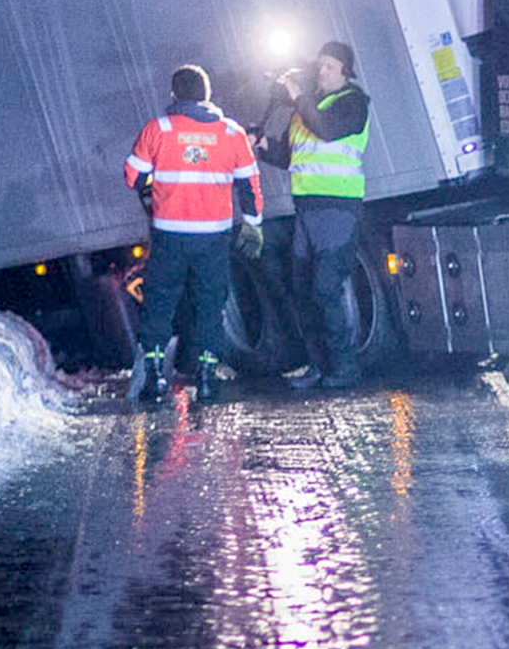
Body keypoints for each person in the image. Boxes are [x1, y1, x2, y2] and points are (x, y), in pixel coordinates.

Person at [123, 63, 261, 402]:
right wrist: (254, 223)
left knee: (159, 303)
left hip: (170, 235)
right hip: (214, 238)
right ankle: (206, 376)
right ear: (207, 94)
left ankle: (155, 377)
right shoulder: (232, 133)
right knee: (210, 306)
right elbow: (249, 184)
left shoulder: (159, 129)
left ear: (174, 94)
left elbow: (133, 177)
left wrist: (160, 179)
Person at [261, 38, 374, 389]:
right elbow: (293, 156)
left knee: (325, 288)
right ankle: (318, 364)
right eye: (319, 64)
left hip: (338, 212)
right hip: (307, 212)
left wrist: (297, 94)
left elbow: (326, 130)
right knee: (301, 290)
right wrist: (265, 147)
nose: (321, 71)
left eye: (328, 65)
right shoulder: (306, 108)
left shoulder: (353, 103)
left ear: (345, 71)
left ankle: (344, 368)